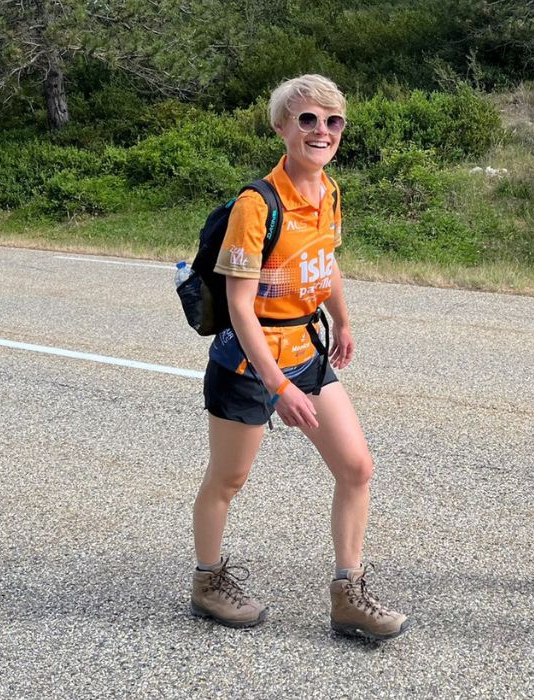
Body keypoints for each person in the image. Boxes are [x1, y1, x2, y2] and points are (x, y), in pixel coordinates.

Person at [189, 74, 409, 640]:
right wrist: (278, 386)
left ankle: (348, 595)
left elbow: (326, 261)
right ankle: (209, 582)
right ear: (282, 126)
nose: (322, 131)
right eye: (308, 119)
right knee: (229, 479)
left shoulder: (329, 191)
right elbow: (240, 306)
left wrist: (343, 317)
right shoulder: (255, 204)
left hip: (306, 350)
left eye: (333, 121)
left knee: (357, 467)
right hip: (248, 362)